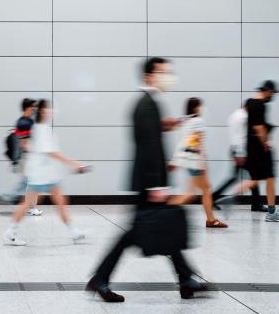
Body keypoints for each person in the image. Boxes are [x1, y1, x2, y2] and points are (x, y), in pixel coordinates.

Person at [86, 57, 207, 303]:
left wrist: (165, 125)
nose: (168, 77)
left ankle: (185, 280)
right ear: (149, 76)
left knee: (157, 227)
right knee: (143, 231)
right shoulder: (146, 104)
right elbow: (148, 146)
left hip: (149, 180)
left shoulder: (149, 103)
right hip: (149, 182)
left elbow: (149, 135)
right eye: (163, 72)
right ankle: (101, 278)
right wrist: (156, 184)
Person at [3, 99, 87, 246]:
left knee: (60, 202)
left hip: (46, 174)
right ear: (43, 111)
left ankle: (73, 232)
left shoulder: (41, 127)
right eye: (49, 109)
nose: (52, 112)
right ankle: (10, 232)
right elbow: (51, 153)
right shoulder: (40, 129)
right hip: (41, 175)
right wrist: (75, 163)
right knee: (28, 203)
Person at [218, 81, 279, 222]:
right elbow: (259, 127)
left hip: (249, 146)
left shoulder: (249, 102)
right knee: (270, 177)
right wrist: (266, 143)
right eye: (273, 93)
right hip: (259, 147)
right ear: (268, 91)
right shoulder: (260, 105)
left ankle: (231, 198)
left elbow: (241, 121)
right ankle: (271, 212)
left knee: (256, 179)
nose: (273, 96)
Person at [169, 98, 227, 228]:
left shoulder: (186, 121)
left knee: (201, 189)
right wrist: (201, 162)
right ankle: (163, 213)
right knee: (196, 192)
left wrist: (176, 160)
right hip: (195, 160)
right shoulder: (198, 121)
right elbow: (197, 142)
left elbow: (184, 142)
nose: (203, 108)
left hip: (188, 160)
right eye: (201, 106)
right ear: (196, 107)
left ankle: (211, 219)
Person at [0, 98, 44, 216]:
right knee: (32, 182)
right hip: (27, 157)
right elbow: (23, 143)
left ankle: (10, 197)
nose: (35, 109)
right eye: (33, 107)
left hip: (28, 156)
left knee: (28, 182)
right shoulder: (24, 122)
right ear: (27, 107)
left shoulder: (27, 121)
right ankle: (9, 197)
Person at [211, 106, 264, 211]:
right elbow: (241, 136)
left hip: (236, 149)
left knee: (247, 176)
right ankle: (256, 204)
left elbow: (235, 136)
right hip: (241, 151)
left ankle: (256, 204)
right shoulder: (243, 117)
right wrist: (240, 153)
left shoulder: (234, 115)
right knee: (253, 176)